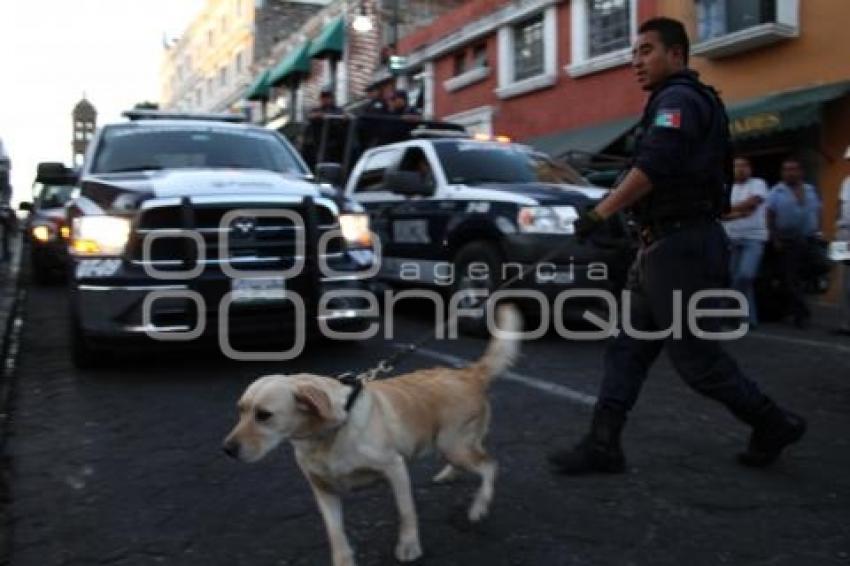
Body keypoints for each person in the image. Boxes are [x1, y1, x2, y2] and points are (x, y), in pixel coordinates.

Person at [547, 17, 806, 475]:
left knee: (696, 361)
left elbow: (653, 167)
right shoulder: (671, 101)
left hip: (681, 250)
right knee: (628, 347)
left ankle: (773, 422)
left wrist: (599, 213)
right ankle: (603, 444)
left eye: (645, 51)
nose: (636, 62)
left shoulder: (680, 100)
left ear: (677, 55)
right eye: (632, 54)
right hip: (662, 247)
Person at [766, 157, 821, 328]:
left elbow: (818, 211)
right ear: (782, 173)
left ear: (800, 172)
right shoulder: (776, 192)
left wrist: (819, 231)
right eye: (786, 169)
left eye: (793, 169)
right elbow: (769, 216)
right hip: (787, 242)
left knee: (810, 276)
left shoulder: (810, 190)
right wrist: (774, 238)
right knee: (791, 280)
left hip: (810, 240)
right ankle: (802, 314)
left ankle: (794, 310)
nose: (790, 172)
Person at [721, 156, 769, 326]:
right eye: (737, 166)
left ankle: (726, 310)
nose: (741, 169)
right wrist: (739, 212)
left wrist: (731, 210)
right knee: (736, 277)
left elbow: (753, 203)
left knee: (745, 275)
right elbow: (721, 214)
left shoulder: (758, 184)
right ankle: (748, 319)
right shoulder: (727, 187)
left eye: (744, 165)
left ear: (750, 168)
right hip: (731, 238)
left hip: (754, 238)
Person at [836, 146, 850, 335]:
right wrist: (836, 228)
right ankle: (845, 324)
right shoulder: (846, 181)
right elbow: (839, 205)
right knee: (844, 281)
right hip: (844, 233)